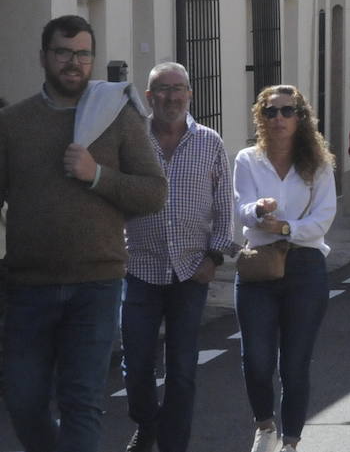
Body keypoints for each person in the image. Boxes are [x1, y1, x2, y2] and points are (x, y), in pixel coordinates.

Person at [0, 15, 167, 452]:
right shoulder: (13, 123)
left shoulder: (117, 117)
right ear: (43, 57)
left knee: (81, 403)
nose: (73, 63)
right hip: (27, 287)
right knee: (22, 400)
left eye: (82, 54)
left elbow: (153, 192)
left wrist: (97, 176)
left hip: (96, 283)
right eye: (63, 53)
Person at [122, 62, 235, 452]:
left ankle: (173, 445)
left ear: (189, 94)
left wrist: (214, 258)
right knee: (135, 366)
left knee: (182, 372)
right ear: (150, 97)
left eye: (179, 89)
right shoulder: (132, 140)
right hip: (138, 268)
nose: (171, 97)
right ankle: (148, 422)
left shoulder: (210, 142)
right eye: (163, 91)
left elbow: (224, 210)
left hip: (191, 272)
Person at [233, 85, 338, 452]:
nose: (279, 119)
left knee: (294, 364)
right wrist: (259, 210)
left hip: (305, 265)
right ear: (260, 118)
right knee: (257, 360)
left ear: (300, 117)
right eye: (270, 112)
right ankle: (264, 425)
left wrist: (286, 227)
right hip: (259, 266)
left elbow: (324, 217)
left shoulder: (319, 164)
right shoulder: (248, 159)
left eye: (287, 111)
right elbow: (242, 210)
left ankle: (291, 441)